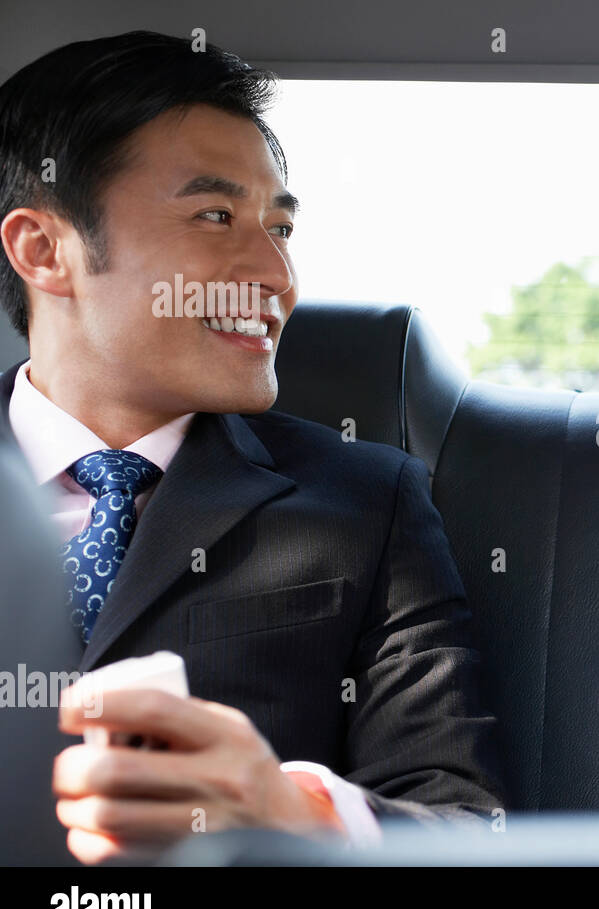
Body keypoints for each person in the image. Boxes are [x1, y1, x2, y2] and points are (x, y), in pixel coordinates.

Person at [0, 31, 505, 863]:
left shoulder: (366, 504)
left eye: (281, 227)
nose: (276, 278)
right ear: (45, 250)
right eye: (215, 216)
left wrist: (294, 812)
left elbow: (468, 832)